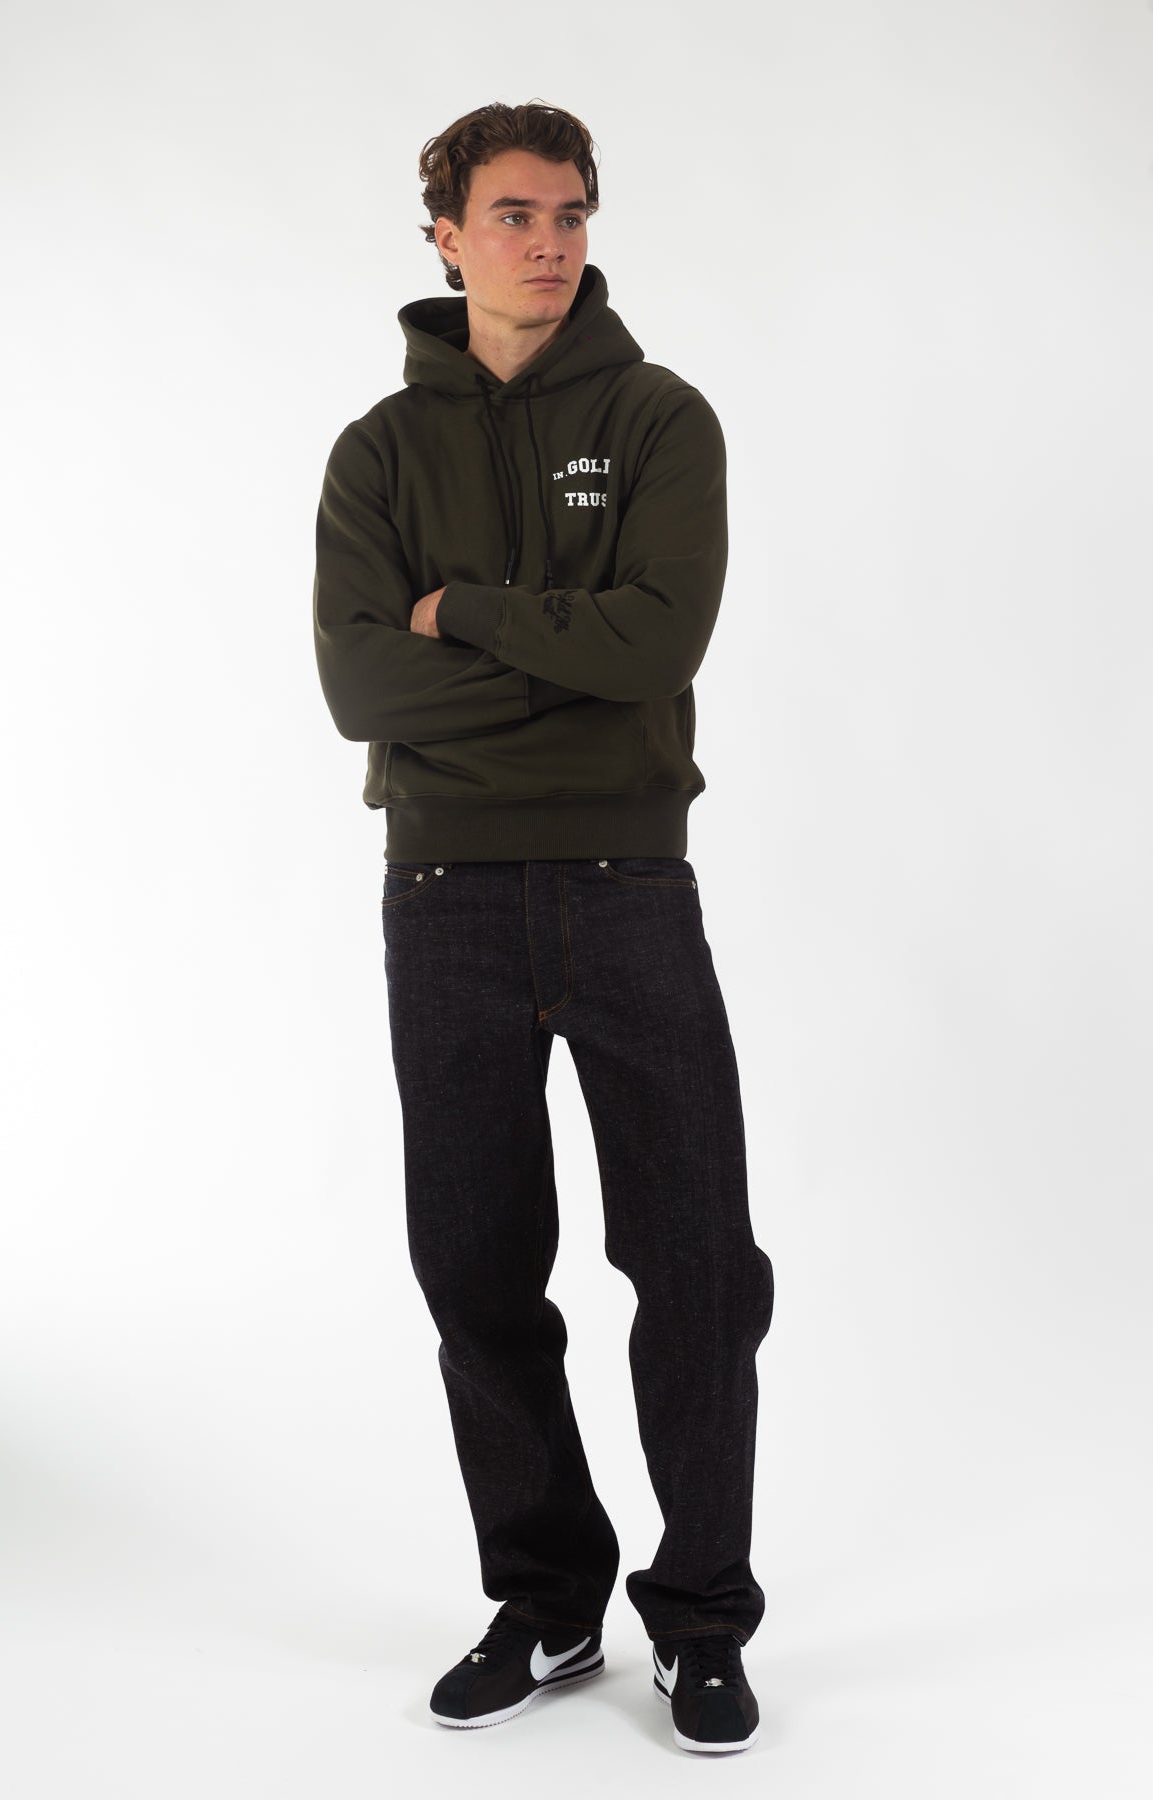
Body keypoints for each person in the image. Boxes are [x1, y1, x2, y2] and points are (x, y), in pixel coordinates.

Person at [311, 99, 775, 1756]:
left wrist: (471, 619)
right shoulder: (379, 452)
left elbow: (656, 648)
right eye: (514, 214)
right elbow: (361, 685)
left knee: (698, 1265)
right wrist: (562, 664)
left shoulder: (660, 418)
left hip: (628, 888)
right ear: (445, 234)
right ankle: (548, 1600)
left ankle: (701, 1617)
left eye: (571, 212)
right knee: (476, 1268)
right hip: (442, 901)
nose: (551, 241)